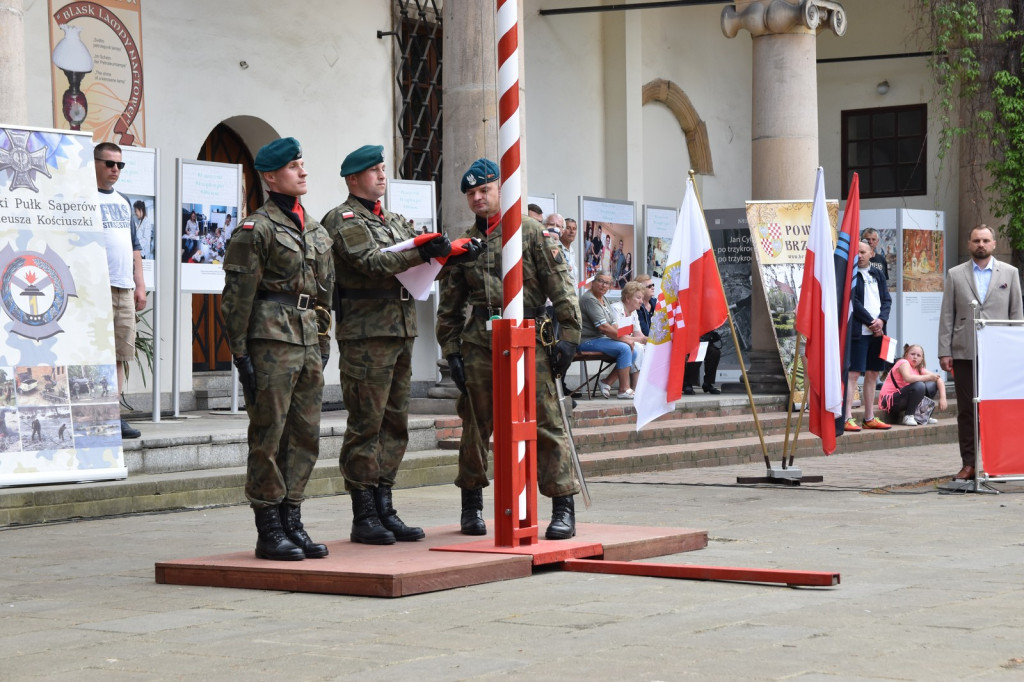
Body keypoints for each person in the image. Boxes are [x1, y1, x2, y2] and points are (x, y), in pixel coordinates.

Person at [437, 158, 582, 540]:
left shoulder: (531, 232)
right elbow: (450, 305)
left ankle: (562, 507)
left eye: (484, 190)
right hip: (480, 343)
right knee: (474, 423)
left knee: (546, 421)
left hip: (529, 336)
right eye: (470, 194)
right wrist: (451, 348)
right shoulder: (466, 244)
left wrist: (569, 335)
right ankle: (471, 505)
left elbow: (560, 285)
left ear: (500, 188)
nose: (477, 198)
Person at [321, 144, 453, 545]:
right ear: (353, 179)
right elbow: (372, 263)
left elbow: (418, 257)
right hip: (366, 334)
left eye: (382, 169)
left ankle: (384, 504)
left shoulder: (393, 220)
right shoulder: (342, 220)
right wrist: (418, 252)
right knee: (367, 423)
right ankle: (364, 512)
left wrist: (449, 253)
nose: (382, 175)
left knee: (395, 423)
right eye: (374, 170)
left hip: (400, 330)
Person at [221, 137, 335, 561]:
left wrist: (323, 341)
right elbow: (236, 296)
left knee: (304, 434)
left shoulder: (316, 230)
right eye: (293, 166)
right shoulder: (257, 228)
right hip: (270, 339)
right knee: (269, 433)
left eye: (303, 164)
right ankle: (268, 526)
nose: (302, 172)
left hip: (307, 338)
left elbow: (325, 292)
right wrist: (240, 353)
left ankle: (293, 519)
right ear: (270, 177)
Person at [938, 224, 1024, 481]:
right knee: (967, 411)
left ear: (994, 244)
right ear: (969, 244)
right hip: (965, 352)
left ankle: (1000, 463)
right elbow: (947, 315)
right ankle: (970, 464)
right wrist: (945, 350)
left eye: (986, 240)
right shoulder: (955, 274)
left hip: (998, 353)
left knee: (998, 410)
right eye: (976, 240)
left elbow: (1016, 314)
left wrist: (1016, 350)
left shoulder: (1010, 273)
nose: (981, 245)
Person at [94, 142, 145, 440]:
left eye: (120, 165)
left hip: (124, 288)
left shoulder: (124, 201)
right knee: (95, 352)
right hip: (95, 287)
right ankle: (95, 414)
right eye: (110, 164)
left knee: (120, 354)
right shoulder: (84, 198)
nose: (115, 170)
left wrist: (140, 286)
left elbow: (135, 248)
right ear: (95, 164)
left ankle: (114, 416)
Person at [578, 271, 636, 399]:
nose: (604, 285)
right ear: (593, 282)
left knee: (634, 350)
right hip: (587, 341)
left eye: (608, 283)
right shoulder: (589, 299)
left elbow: (613, 324)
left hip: (600, 339)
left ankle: (606, 382)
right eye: (601, 281)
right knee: (625, 348)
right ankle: (623, 389)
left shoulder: (603, 298)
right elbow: (603, 327)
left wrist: (625, 338)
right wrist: (625, 340)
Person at [878, 344, 947, 426]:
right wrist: (927, 377)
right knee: (919, 386)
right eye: (912, 354)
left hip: (901, 399)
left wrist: (943, 398)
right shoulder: (903, 362)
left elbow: (938, 379)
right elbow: (907, 378)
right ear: (906, 355)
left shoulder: (918, 369)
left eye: (918, 355)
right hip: (889, 401)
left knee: (932, 384)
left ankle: (922, 416)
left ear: (921, 359)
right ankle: (908, 416)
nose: (915, 357)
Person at [605, 280, 648, 393]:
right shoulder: (617, 308)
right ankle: (635, 386)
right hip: (611, 342)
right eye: (638, 298)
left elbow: (639, 334)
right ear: (628, 298)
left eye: (642, 298)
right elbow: (618, 335)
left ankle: (645, 386)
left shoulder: (633, 312)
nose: (641, 302)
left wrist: (649, 340)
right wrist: (641, 340)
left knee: (647, 347)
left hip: (625, 342)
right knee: (637, 346)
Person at [683, 330, 723, 395]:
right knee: (697, 353)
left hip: (704, 339)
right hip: (690, 340)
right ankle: (688, 384)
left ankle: (708, 383)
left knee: (715, 352)